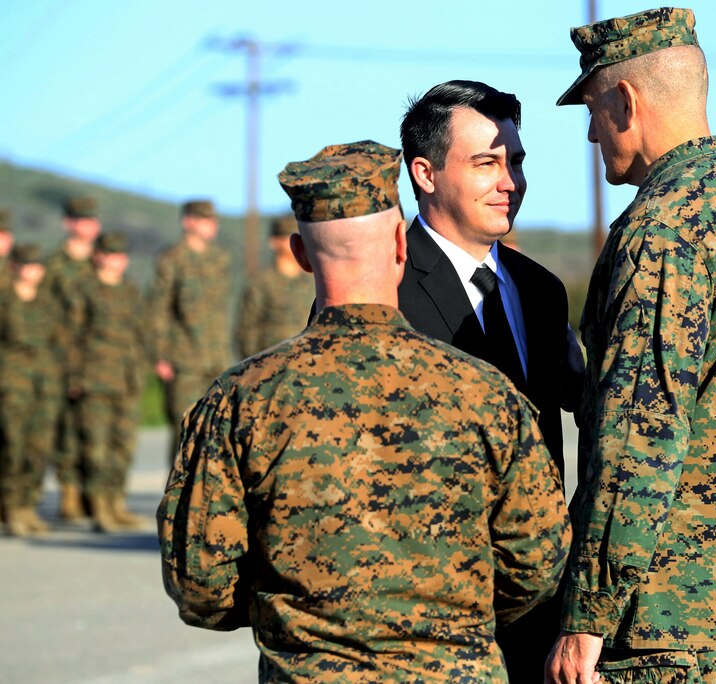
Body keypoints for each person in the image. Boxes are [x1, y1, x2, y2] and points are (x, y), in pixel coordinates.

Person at [157, 140, 571, 683]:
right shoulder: (485, 393)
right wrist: (455, 620)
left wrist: (298, 616)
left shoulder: (241, 399)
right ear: (401, 242)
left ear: (301, 255)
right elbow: (538, 560)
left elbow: (199, 581)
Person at [546, 7, 716, 684]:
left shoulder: (662, 230)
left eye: (593, 108)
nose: (589, 132)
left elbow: (639, 434)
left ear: (626, 101)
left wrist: (587, 616)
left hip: (669, 609)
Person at [399, 79, 584, 681]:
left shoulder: (540, 291)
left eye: (516, 162)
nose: (510, 182)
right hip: (431, 617)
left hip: (538, 605)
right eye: (486, 163)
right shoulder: (382, 292)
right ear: (425, 174)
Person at [74, 233, 150, 532]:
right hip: (94, 378)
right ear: (99, 257)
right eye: (110, 254)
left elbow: (139, 333)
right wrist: (75, 376)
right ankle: (99, 506)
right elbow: (73, 334)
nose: (116, 260)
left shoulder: (130, 291)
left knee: (123, 444)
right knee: (96, 446)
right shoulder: (86, 290)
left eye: (121, 255)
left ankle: (116, 502)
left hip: (126, 377)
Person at [149, 199, 232, 461]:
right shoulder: (172, 259)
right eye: (205, 220)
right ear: (188, 222)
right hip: (183, 359)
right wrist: (160, 355)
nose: (211, 226)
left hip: (216, 359)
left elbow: (221, 311)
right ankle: (177, 498)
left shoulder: (219, 260)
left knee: (216, 431)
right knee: (185, 429)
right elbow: (159, 309)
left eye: (213, 220)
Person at [43, 196, 101, 521]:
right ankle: (69, 494)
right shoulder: (54, 266)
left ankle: (96, 495)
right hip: (63, 355)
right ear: (69, 223)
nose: (87, 225)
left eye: (91, 219)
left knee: (94, 430)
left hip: (98, 357)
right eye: (81, 219)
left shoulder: (102, 260)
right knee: (67, 428)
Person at [0, 244, 61, 536]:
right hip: (12, 385)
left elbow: (57, 343)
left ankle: (28, 505)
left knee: (39, 448)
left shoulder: (47, 303)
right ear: (14, 267)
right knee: (13, 447)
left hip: (44, 386)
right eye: (27, 265)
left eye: (38, 265)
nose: (33, 271)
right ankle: (11, 507)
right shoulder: (4, 301)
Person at [235, 214, 313, 358]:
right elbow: (247, 330)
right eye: (287, 237)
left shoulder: (311, 282)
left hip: (307, 364)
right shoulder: (262, 283)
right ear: (274, 242)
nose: (295, 243)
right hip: (271, 367)